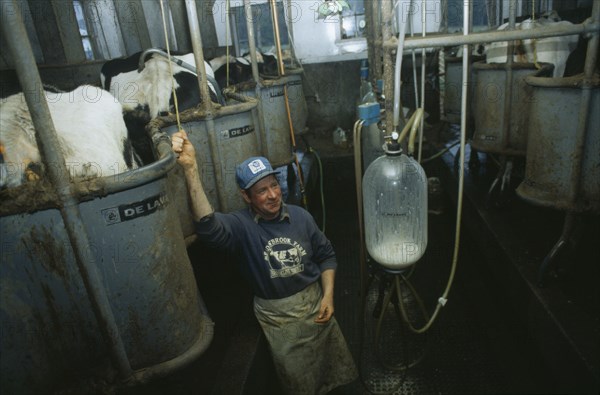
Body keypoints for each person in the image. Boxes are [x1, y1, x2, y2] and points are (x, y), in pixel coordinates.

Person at [172, 130, 358, 394]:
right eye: (261, 191)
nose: (272, 195)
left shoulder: (301, 217)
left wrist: (328, 296)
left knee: (332, 371)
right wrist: (191, 169)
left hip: (316, 306)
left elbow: (326, 256)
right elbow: (208, 227)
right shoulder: (241, 226)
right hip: (279, 320)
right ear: (246, 197)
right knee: (299, 382)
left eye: (274, 185)